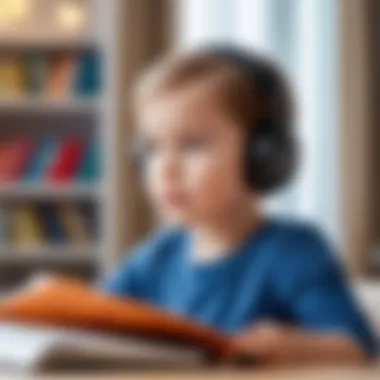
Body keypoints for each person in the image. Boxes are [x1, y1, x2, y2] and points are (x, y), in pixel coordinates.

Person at [101, 46, 378, 365]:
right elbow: (89, 318)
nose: (165, 168)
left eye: (192, 145)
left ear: (264, 157)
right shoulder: (157, 256)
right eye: (152, 148)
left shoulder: (293, 252)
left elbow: (357, 346)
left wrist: (293, 346)